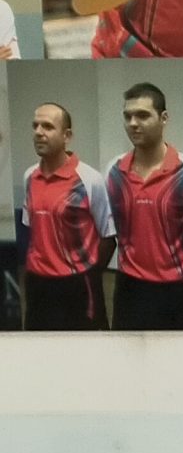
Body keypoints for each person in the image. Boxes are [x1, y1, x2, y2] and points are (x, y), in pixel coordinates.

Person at [105, 81, 183, 329]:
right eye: (128, 116)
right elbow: (110, 232)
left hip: (180, 291)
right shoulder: (114, 171)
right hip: (130, 289)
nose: (133, 123)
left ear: (163, 118)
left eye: (142, 115)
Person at [16, 101, 116, 329]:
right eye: (35, 126)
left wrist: (87, 274)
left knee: (85, 347)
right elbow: (33, 231)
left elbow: (108, 238)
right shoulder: (29, 176)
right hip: (37, 284)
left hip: (77, 286)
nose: (38, 132)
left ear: (67, 135)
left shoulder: (89, 179)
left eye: (48, 126)